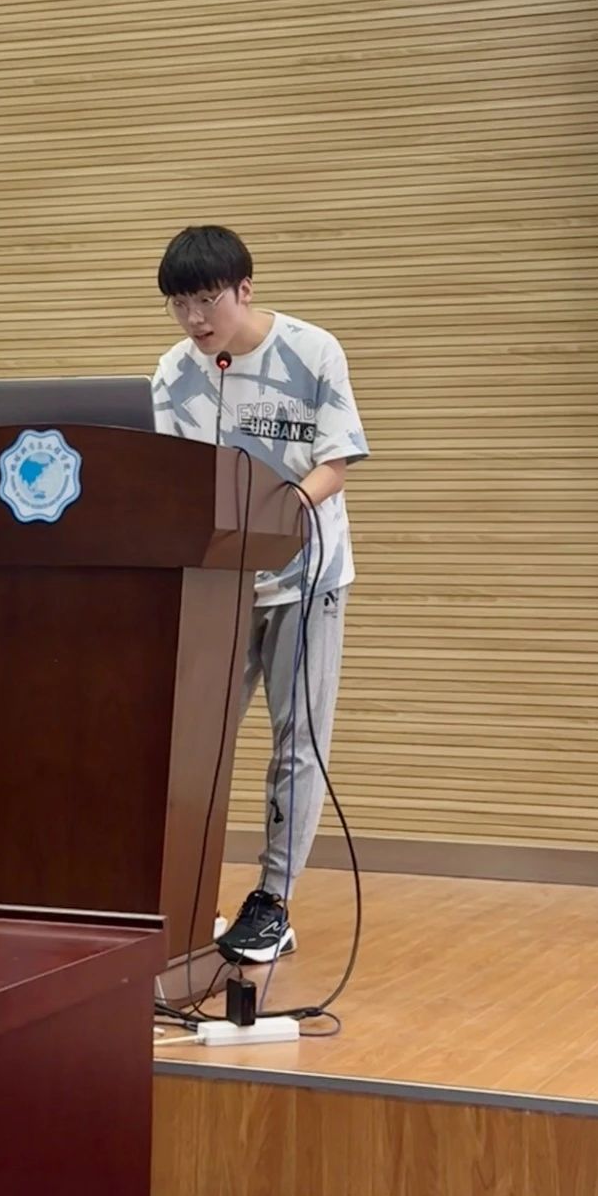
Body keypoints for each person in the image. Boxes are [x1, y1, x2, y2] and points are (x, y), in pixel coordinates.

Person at [151, 225, 368, 963]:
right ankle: (184, 893)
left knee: (296, 742)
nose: (194, 319)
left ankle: (273, 902)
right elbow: (168, 476)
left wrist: (280, 516)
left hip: (306, 579)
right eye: (180, 304)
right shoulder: (172, 373)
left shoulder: (312, 351)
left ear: (244, 289)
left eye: (206, 300)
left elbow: (335, 462)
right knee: (192, 740)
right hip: (219, 585)